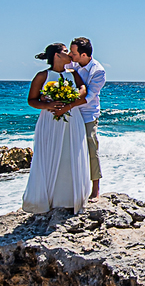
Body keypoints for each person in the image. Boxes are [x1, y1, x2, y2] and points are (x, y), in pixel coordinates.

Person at [21, 43, 90, 213]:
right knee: (49, 154)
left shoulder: (73, 74)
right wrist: (50, 105)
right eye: (66, 51)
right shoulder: (43, 76)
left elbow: (83, 89)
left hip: (72, 120)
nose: (69, 54)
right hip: (50, 120)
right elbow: (32, 100)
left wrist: (72, 99)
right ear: (57, 56)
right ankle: (48, 199)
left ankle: (69, 198)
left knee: (70, 154)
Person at [67, 36, 107, 199]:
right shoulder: (72, 63)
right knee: (69, 149)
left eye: (73, 52)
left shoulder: (98, 71)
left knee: (91, 147)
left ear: (84, 55)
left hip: (87, 113)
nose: (70, 55)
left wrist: (67, 106)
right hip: (70, 112)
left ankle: (95, 187)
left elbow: (89, 96)